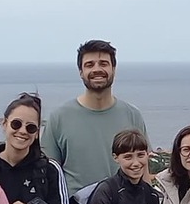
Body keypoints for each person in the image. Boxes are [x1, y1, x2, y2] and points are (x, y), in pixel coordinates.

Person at [42, 39, 146, 195]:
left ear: (114, 69)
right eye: (89, 65)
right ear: (80, 72)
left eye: (103, 63)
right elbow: (49, 173)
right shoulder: (59, 118)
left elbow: (143, 170)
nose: (97, 69)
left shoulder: (132, 115)